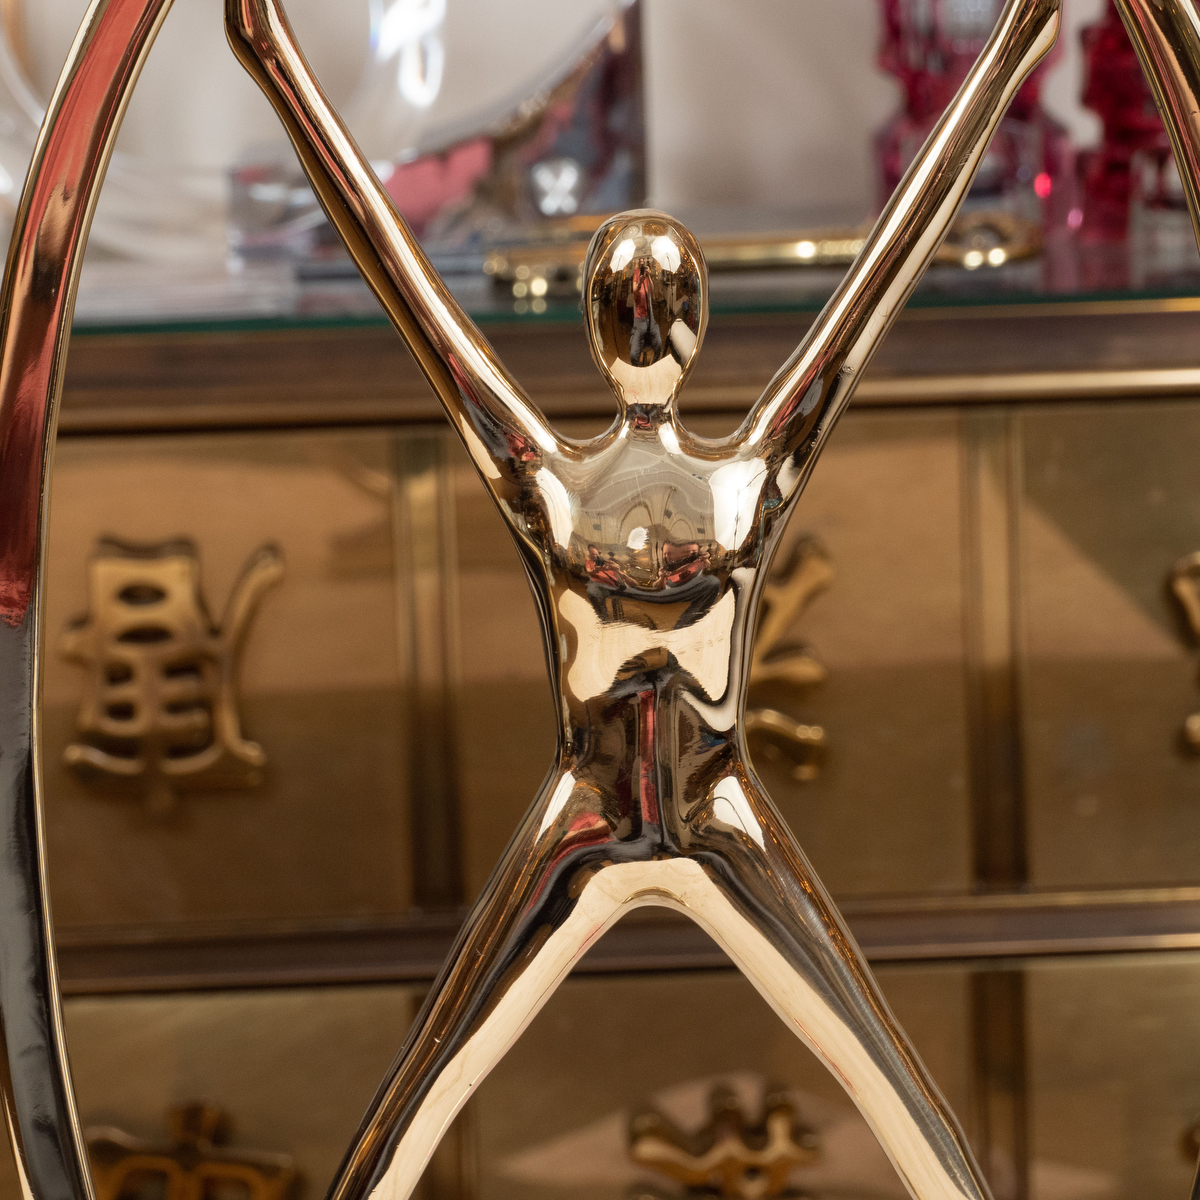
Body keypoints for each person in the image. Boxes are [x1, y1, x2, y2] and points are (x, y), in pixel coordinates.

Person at [226, 2, 1060, 1199]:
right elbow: (409, 290)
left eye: (656, 302)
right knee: (429, 1091)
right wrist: (274, 66)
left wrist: (1016, 45)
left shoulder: (622, 486)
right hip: (602, 816)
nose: (648, 322)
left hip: (701, 811)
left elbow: (885, 274)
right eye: (639, 302)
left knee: (888, 1089)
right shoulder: (674, 484)